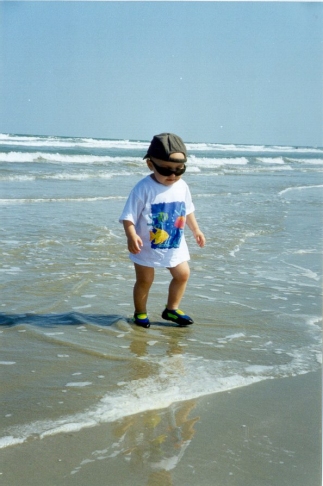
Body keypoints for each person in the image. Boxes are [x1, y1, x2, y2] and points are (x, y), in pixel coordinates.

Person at [119, 133, 205, 328]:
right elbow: (128, 216)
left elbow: (188, 209)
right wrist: (131, 235)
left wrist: (196, 230)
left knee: (183, 275)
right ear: (150, 164)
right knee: (145, 280)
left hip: (175, 244)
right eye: (165, 170)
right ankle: (140, 313)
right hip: (145, 246)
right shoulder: (143, 188)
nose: (172, 175)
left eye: (179, 169)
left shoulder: (182, 186)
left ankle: (171, 309)